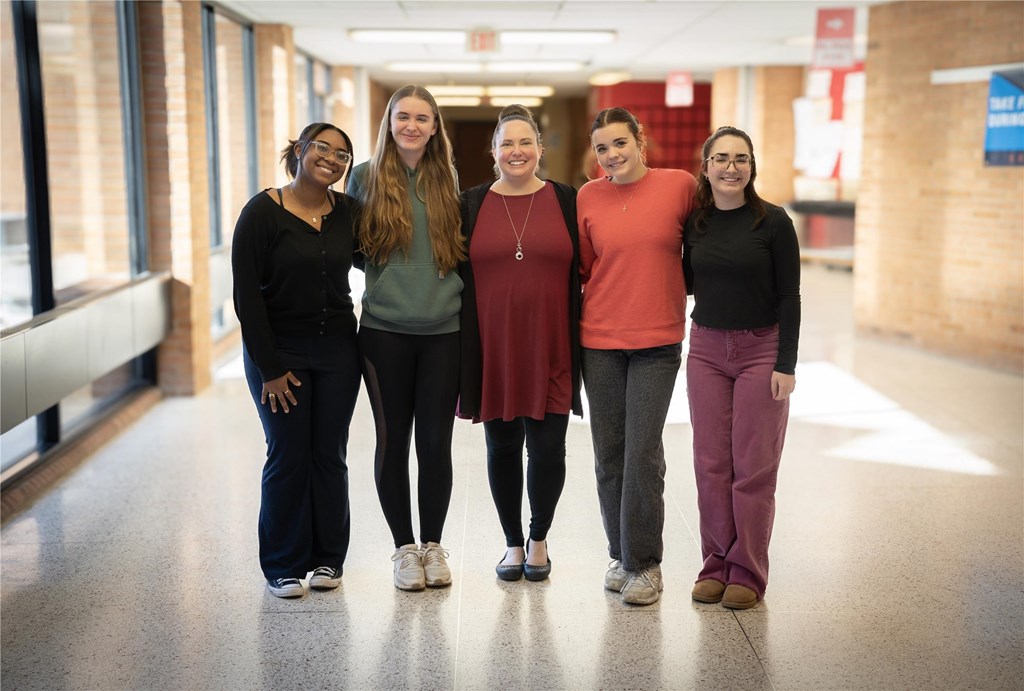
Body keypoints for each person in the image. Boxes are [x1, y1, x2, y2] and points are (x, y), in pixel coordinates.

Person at [231, 122, 360, 598]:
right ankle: (283, 565)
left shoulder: (347, 211)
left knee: (329, 454)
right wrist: (269, 368)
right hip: (279, 352)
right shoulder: (263, 212)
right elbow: (246, 297)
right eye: (322, 147)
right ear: (300, 151)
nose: (331, 158)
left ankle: (328, 559)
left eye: (342, 154)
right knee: (288, 454)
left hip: (338, 352)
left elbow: (380, 259)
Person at [346, 85, 464, 592]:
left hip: (444, 332)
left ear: (435, 126)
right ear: (389, 122)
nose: (412, 125)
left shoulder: (448, 180)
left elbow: (459, 250)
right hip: (383, 333)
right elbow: (351, 250)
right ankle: (403, 548)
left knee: (436, 443)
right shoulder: (364, 177)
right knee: (393, 444)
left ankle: (433, 545)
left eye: (422, 117)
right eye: (403, 117)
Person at [577, 107, 697, 605]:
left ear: (639, 141)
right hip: (599, 340)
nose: (612, 155)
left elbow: (702, 248)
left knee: (642, 451)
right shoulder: (587, 196)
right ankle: (620, 554)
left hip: (657, 342)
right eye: (603, 148)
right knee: (609, 453)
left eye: (620, 144)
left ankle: (645, 564)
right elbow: (586, 268)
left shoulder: (680, 186)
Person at [458, 104, 582, 582]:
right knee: (503, 448)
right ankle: (512, 542)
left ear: (539, 149)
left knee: (549, 450)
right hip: (494, 350)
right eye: (506, 143)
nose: (516, 151)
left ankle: (539, 539)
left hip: (552, 346)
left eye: (525, 142)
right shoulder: (469, 204)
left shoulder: (567, 200)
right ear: (493, 152)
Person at [683, 126, 800, 610]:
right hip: (706, 349)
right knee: (711, 464)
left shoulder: (773, 222)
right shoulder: (694, 223)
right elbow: (684, 282)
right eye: (722, 158)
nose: (732, 167)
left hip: (760, 350)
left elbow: (789, 297)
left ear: (752, 167)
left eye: (742, 159)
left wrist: (785, 364)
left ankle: (747, 571)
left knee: (753, 467)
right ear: (706, 166)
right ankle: (715, 563)